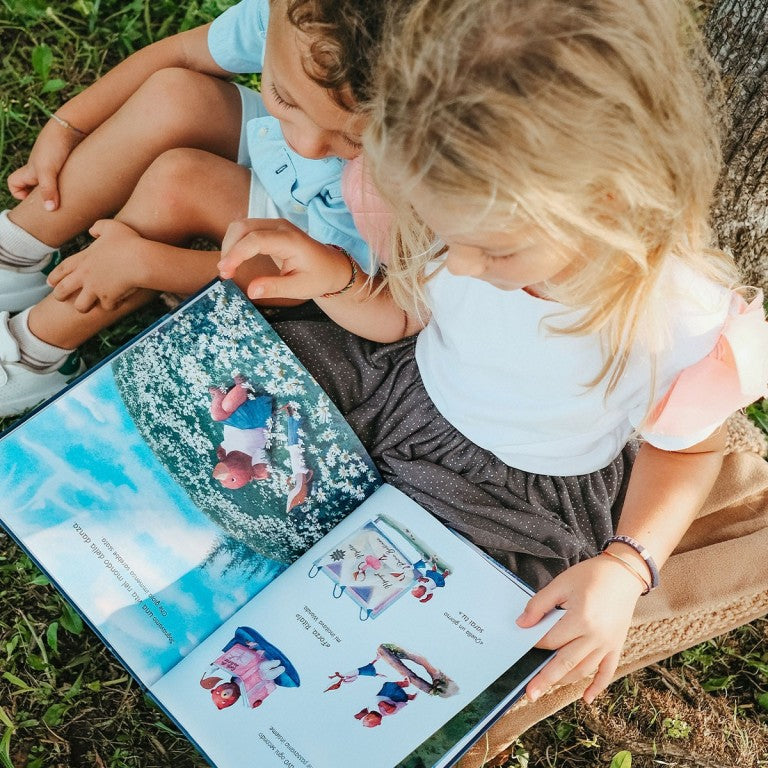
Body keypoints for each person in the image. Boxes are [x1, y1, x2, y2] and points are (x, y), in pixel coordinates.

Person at [216, 0, 768, 745]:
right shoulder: (455, 194)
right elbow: (410, 316)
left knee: (467, 642)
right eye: (448, 237)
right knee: (248, 407)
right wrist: (339, 280)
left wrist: (628, 567)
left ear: (604, 203)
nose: (464, 266)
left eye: (493, 252)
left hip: (513, 491)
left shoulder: (682, 314)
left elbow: (688, 446)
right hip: (400, 388)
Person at [0, 0, 391, 417]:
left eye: (353, 139)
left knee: (176, 183)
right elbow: (182, 53)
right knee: (176, 94)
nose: (309, 146)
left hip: (312, 241)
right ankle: (18, 248)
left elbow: (305, 279)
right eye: (284, 96)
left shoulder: (378, 186)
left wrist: (151, 263)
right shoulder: (307, 16)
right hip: (274, 154)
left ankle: (37, 350)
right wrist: (68, 124)